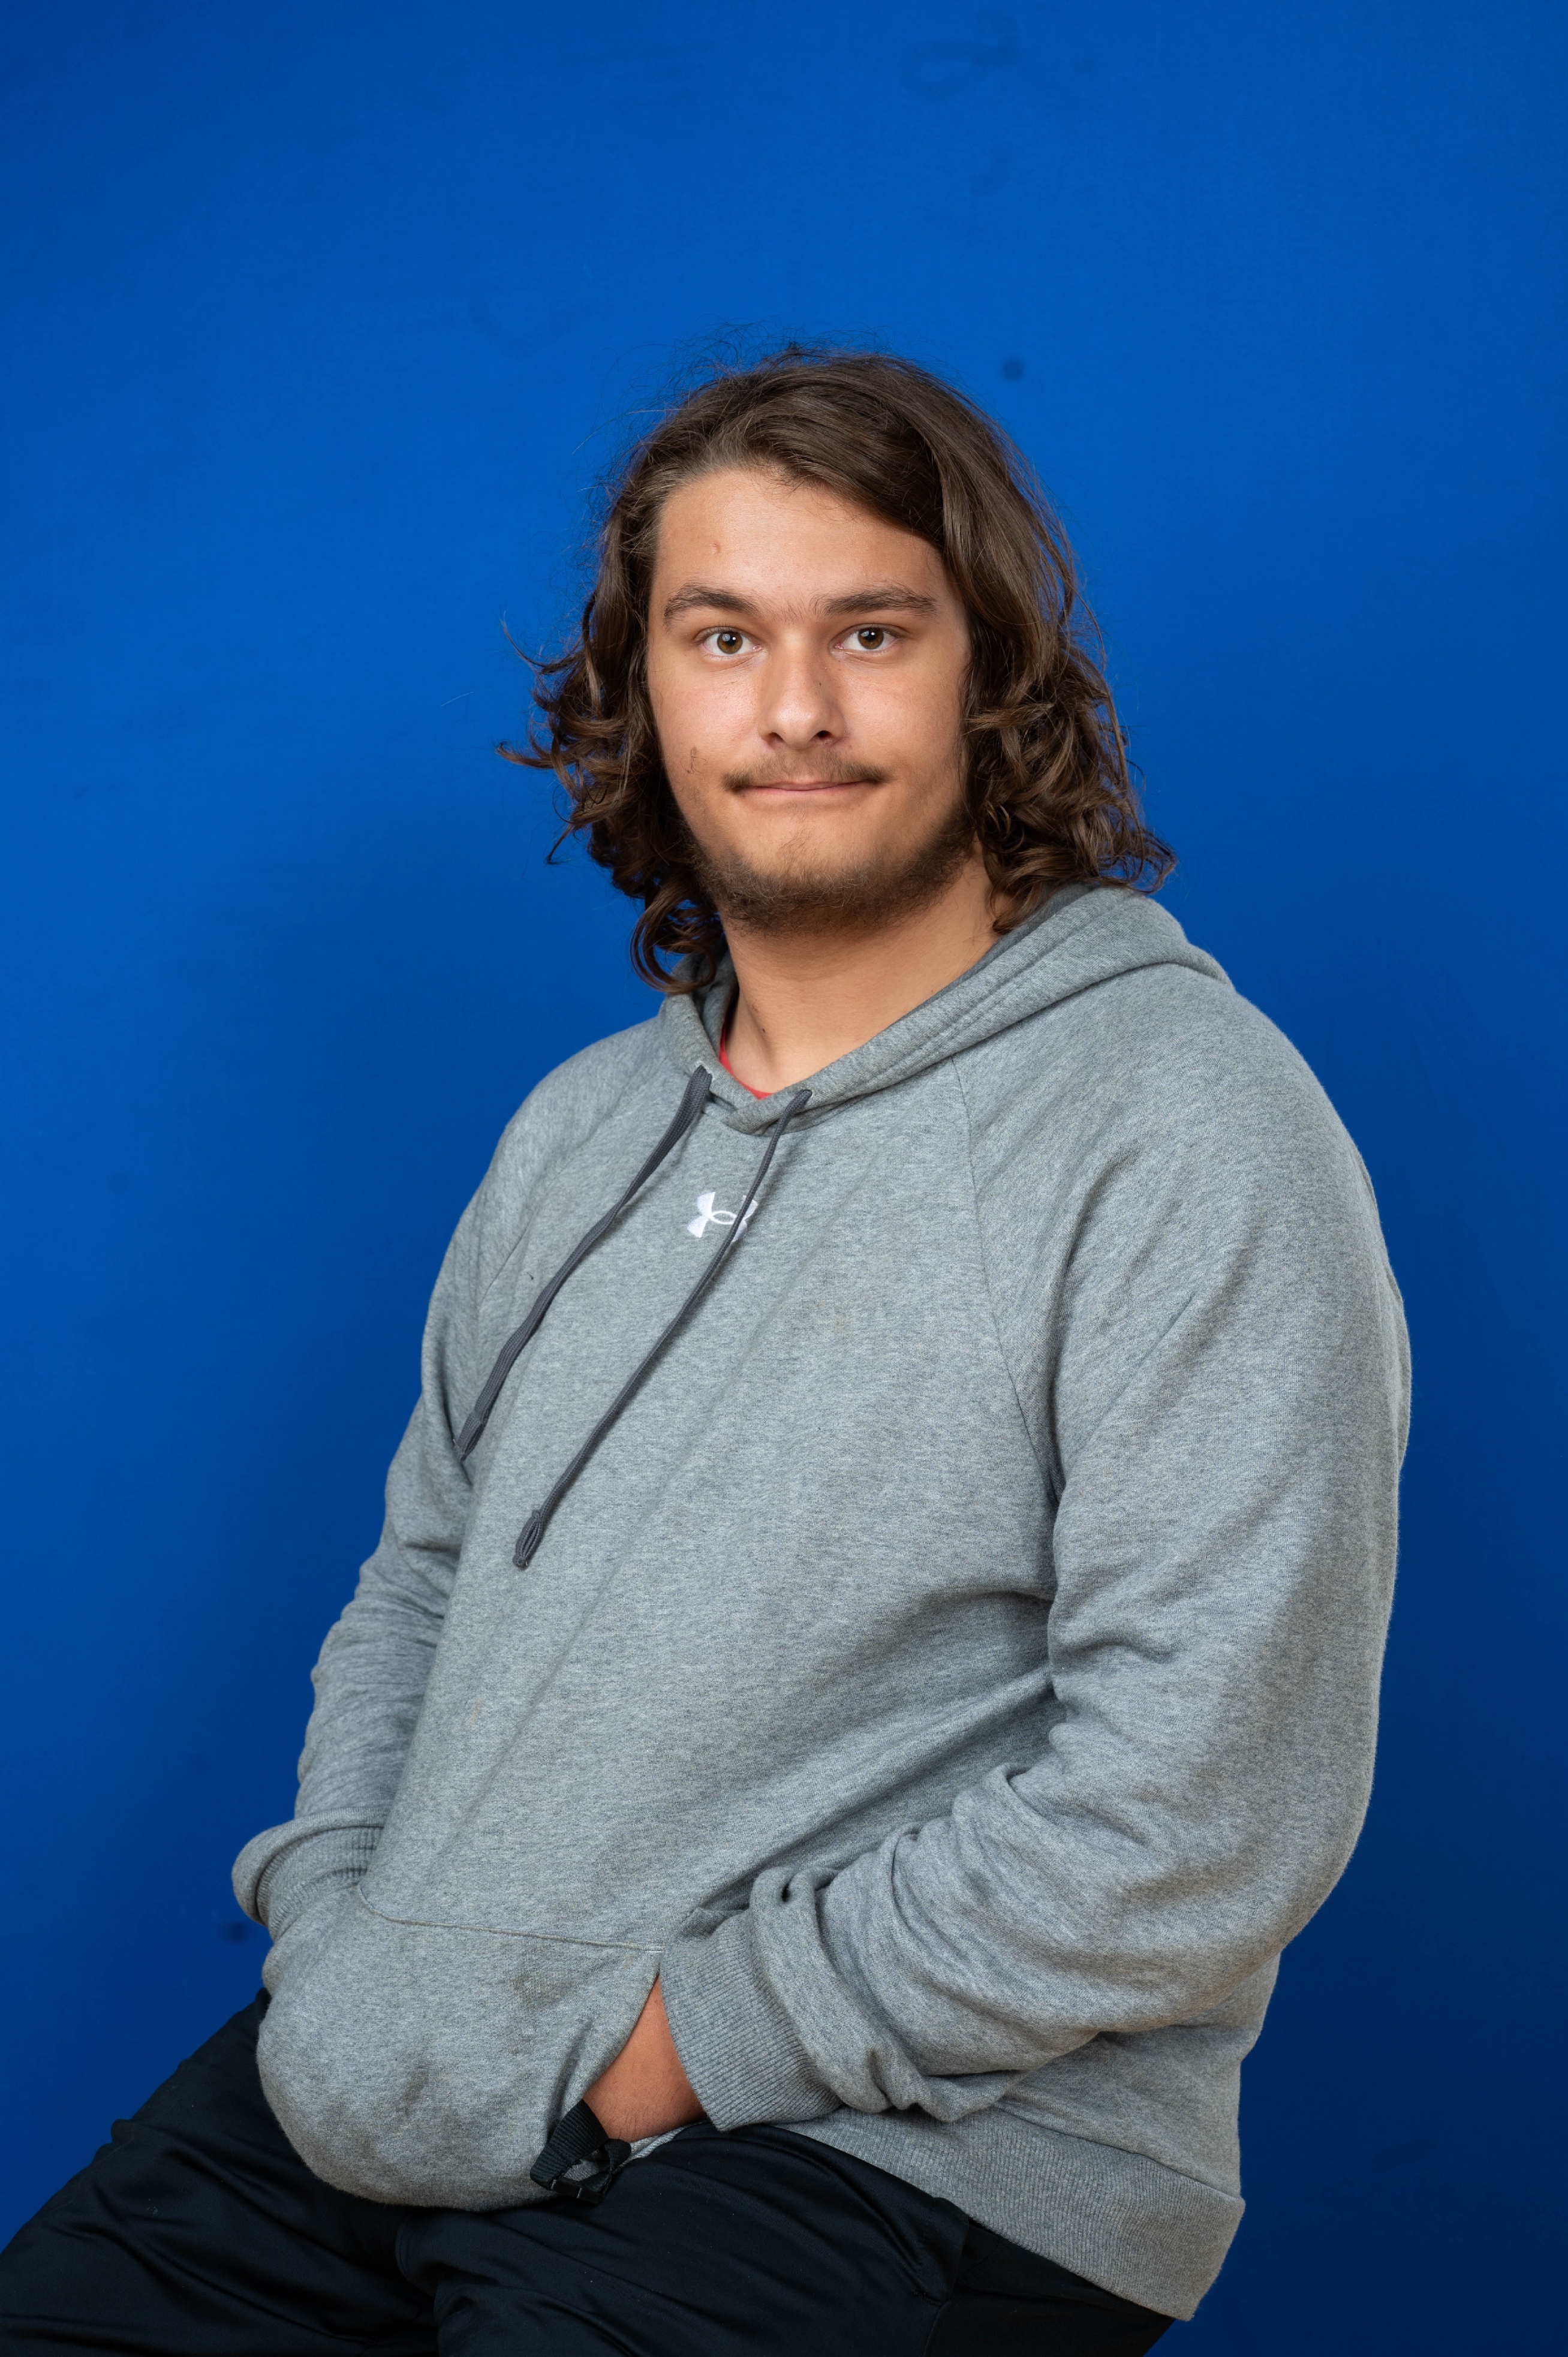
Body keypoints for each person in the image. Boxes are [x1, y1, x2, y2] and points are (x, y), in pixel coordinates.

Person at [0, 348, 1409, 2355]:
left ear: (990, 675)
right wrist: (341, 1934)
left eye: (873, 632)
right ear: (643, 687)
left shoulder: (1187, 1127)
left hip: (892, 2150)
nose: (795, 706)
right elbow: (418, 1586)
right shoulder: (579, 1131)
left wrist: (661, 2054)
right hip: (401, 2072)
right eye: (724, 635)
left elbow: (1202, 1809)